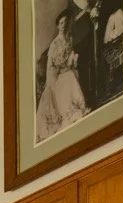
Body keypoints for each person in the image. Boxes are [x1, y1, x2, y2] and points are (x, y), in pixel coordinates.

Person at [36, 10, 88, 143]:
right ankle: (73, 109)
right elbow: (55, 65)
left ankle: (79, 105)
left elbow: (70, 54)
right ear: (58, 26)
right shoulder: (55, 44)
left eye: (65, 22)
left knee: (73, 73)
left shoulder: (69, 38)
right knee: (70, 75)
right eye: (61, 23)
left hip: (65, 70)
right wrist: (67, 66)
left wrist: (73, 57)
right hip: (55, 76)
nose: (63, 24)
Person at [68, 0, 105, 110]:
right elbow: (72, 24)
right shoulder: (71, 3)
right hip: (79, 40)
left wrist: (96, 9)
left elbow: (98, 5)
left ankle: (99, 92)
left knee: (95, 61)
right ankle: (89, 100)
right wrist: (74, 49)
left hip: (92, 32)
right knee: (83, 70)